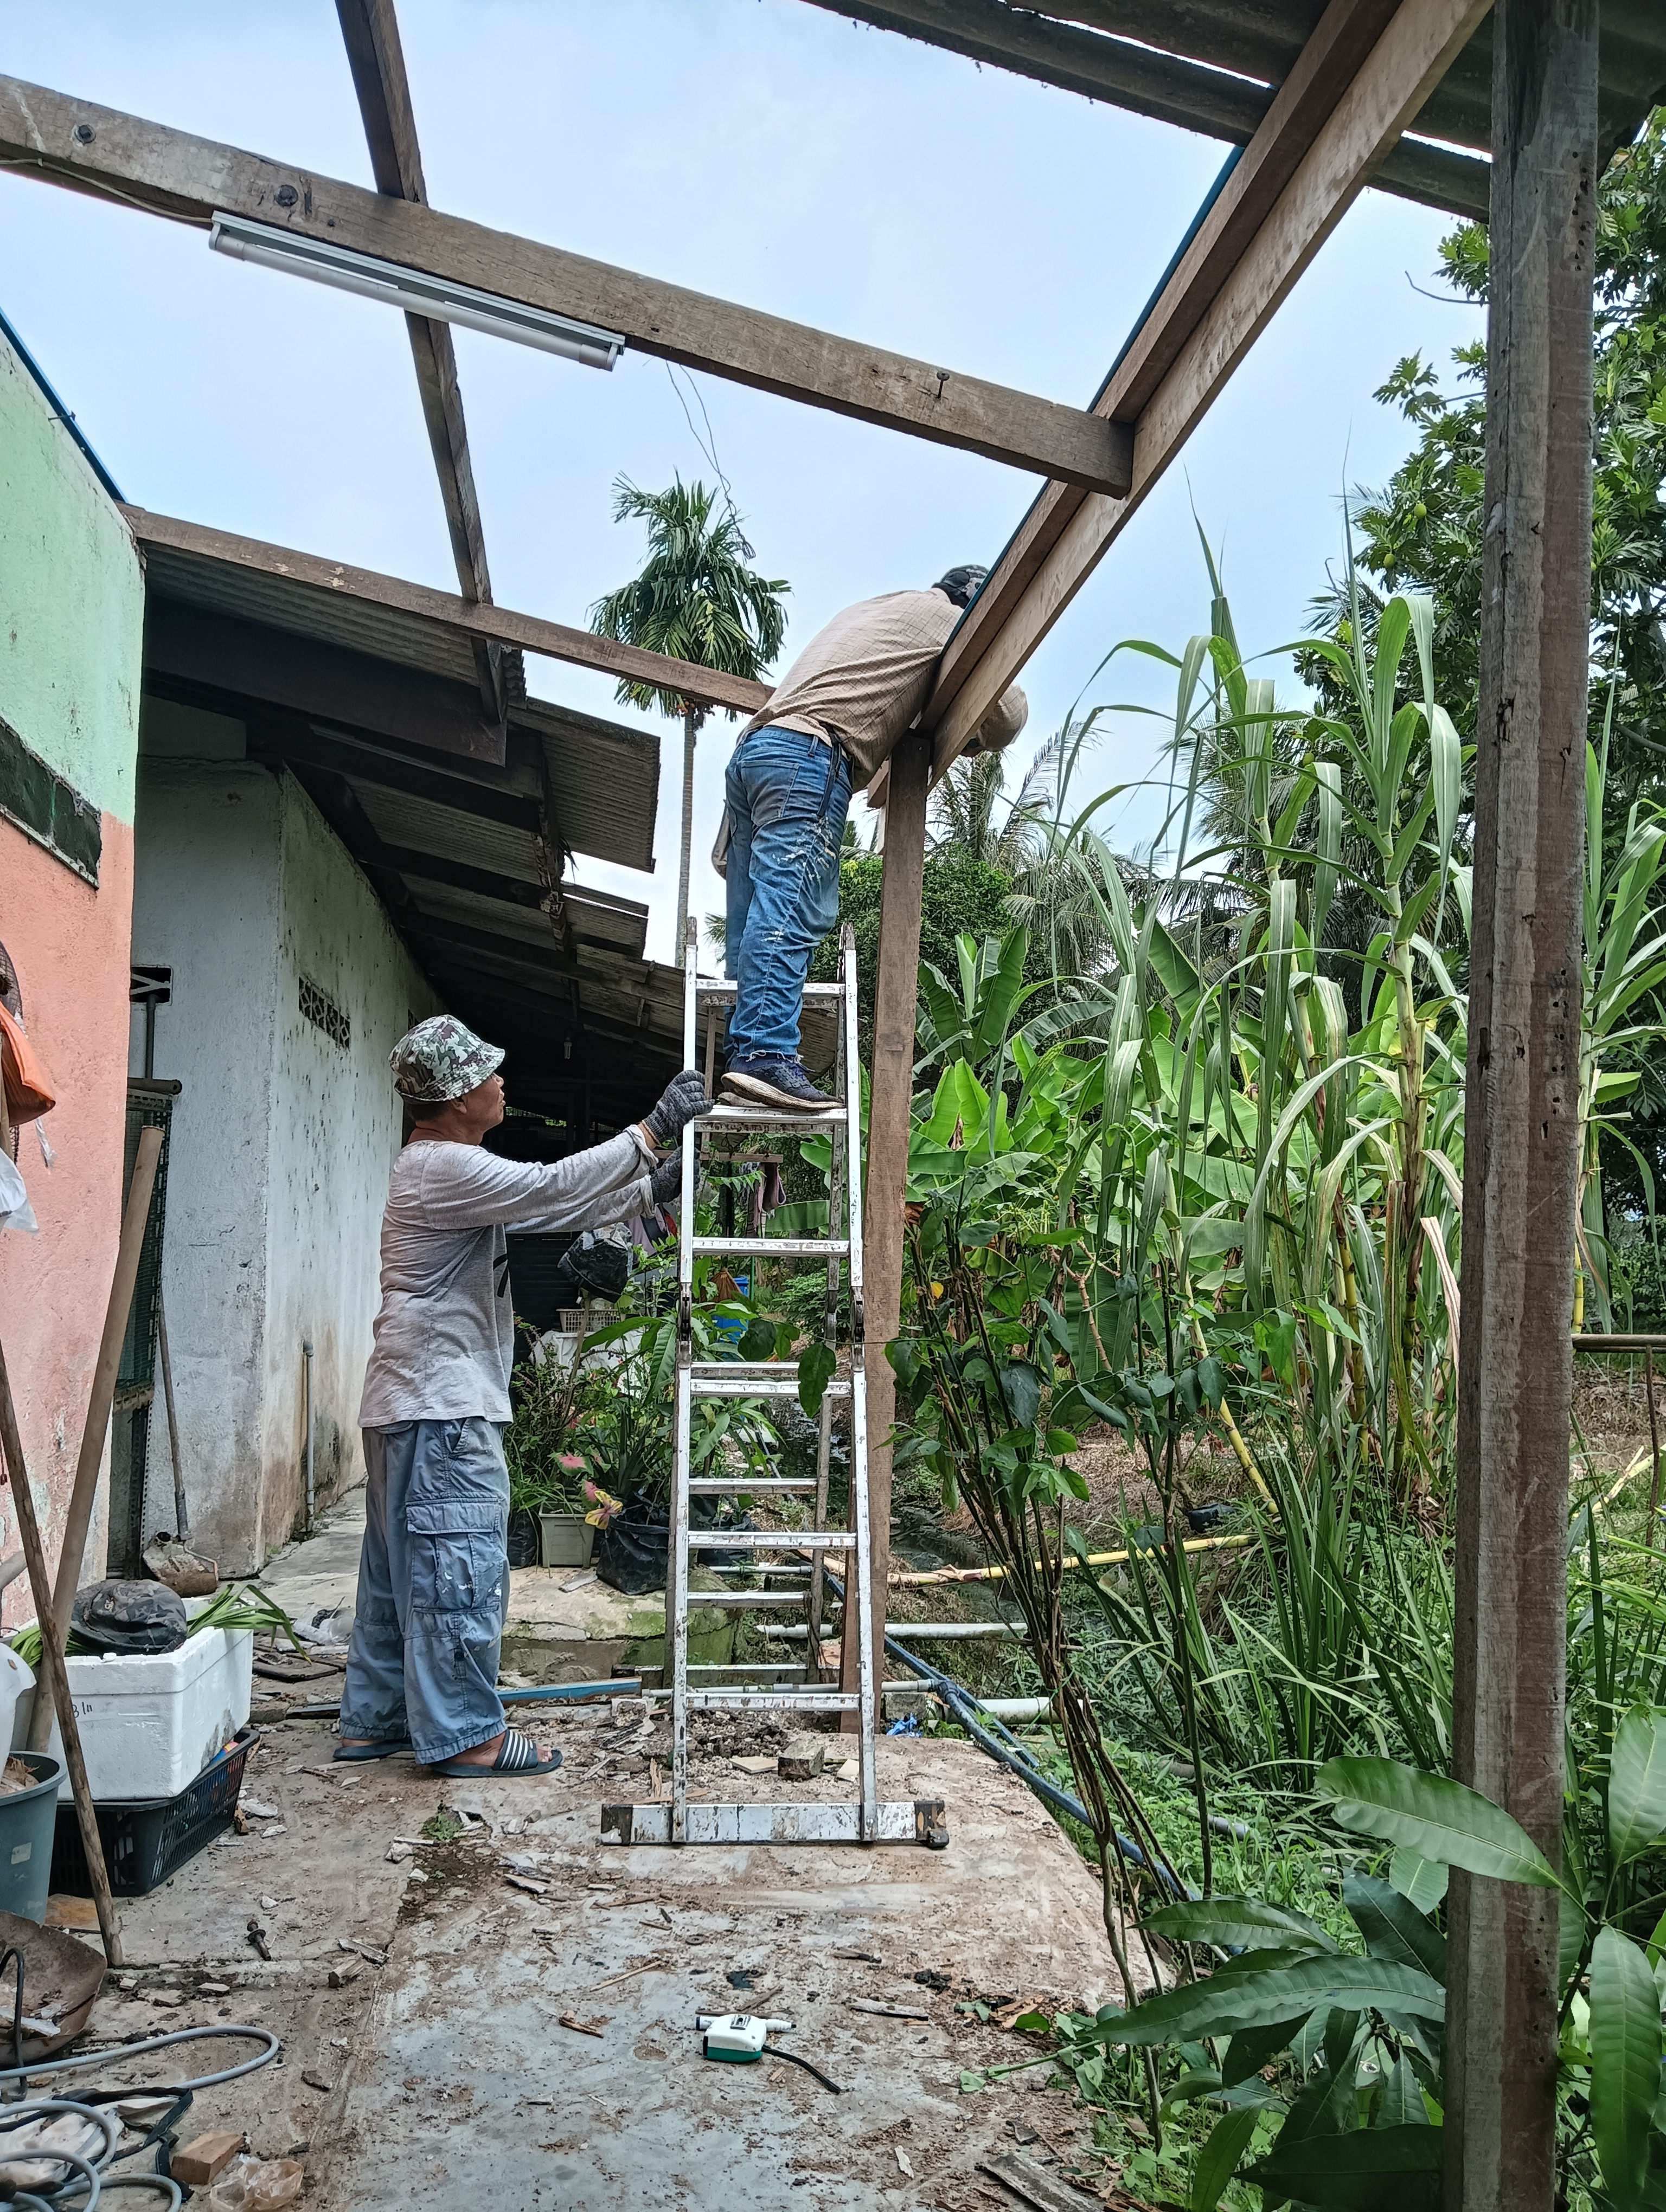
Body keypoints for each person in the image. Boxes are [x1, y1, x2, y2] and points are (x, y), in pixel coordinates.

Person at [337, 1017, 710, 1777]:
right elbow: (546, 1187)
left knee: (398, 1576)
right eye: (488, 1074)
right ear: (455, 1096)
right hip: (444, 1406)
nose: (502, 1082)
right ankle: (466, 1736)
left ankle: (376, 1721)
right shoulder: (444, 1164)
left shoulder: (436, 1169)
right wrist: (649, 1133)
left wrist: (648, 1191)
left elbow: (546, 1212)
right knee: (457, 1571)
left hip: (408, 1400)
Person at [717, 565, 1028, 1113]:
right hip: (809, 756)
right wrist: (973, 732)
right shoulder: (948, 619)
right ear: (972, 600)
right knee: (792, 908)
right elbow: (1008, 714)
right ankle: (765, 1053)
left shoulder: (880, 609)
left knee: (752, 917)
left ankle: (742, 1049)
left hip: (757, 752)